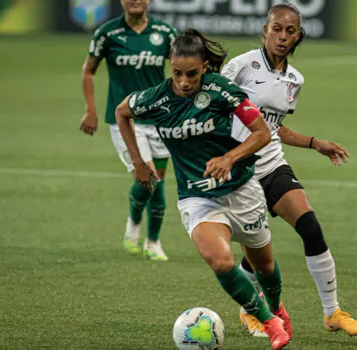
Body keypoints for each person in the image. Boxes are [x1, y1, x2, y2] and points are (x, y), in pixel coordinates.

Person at [115, 28, 293, 349]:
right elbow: (121, 111)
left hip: (241, 188)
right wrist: (138, 162)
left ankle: (277, 307)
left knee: (264, 265)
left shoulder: (221, 90)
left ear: (205, 67)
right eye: (178, 74)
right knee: (221, 261)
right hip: (197, 196)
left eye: (192, 74)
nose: (184, 82)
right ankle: (269, 322)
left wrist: (229, 157)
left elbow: (261, 133)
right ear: (169, 65)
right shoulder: (155, 98)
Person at [221, 3, 357, 337]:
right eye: (277, 28)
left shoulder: (295, 79)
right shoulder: (240, 67)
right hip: (240, 173)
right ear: (265, 29)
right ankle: (250, 311)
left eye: (290, 30)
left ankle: (332, 313)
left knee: (311, 227)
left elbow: (273, 128)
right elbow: (213, 107)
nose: (283, 36)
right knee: (257, 255)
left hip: (273, 163)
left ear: (298, 35)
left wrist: (315, 143)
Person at [80, 0, 177, 261]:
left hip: (159, 118)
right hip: (125, 120)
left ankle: (140, 231)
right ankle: (150, 239)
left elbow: (182, 70)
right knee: (149, 179)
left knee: (155, 180)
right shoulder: (107, 33)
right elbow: (89, 70)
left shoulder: (166, 33)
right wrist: (91, 109)